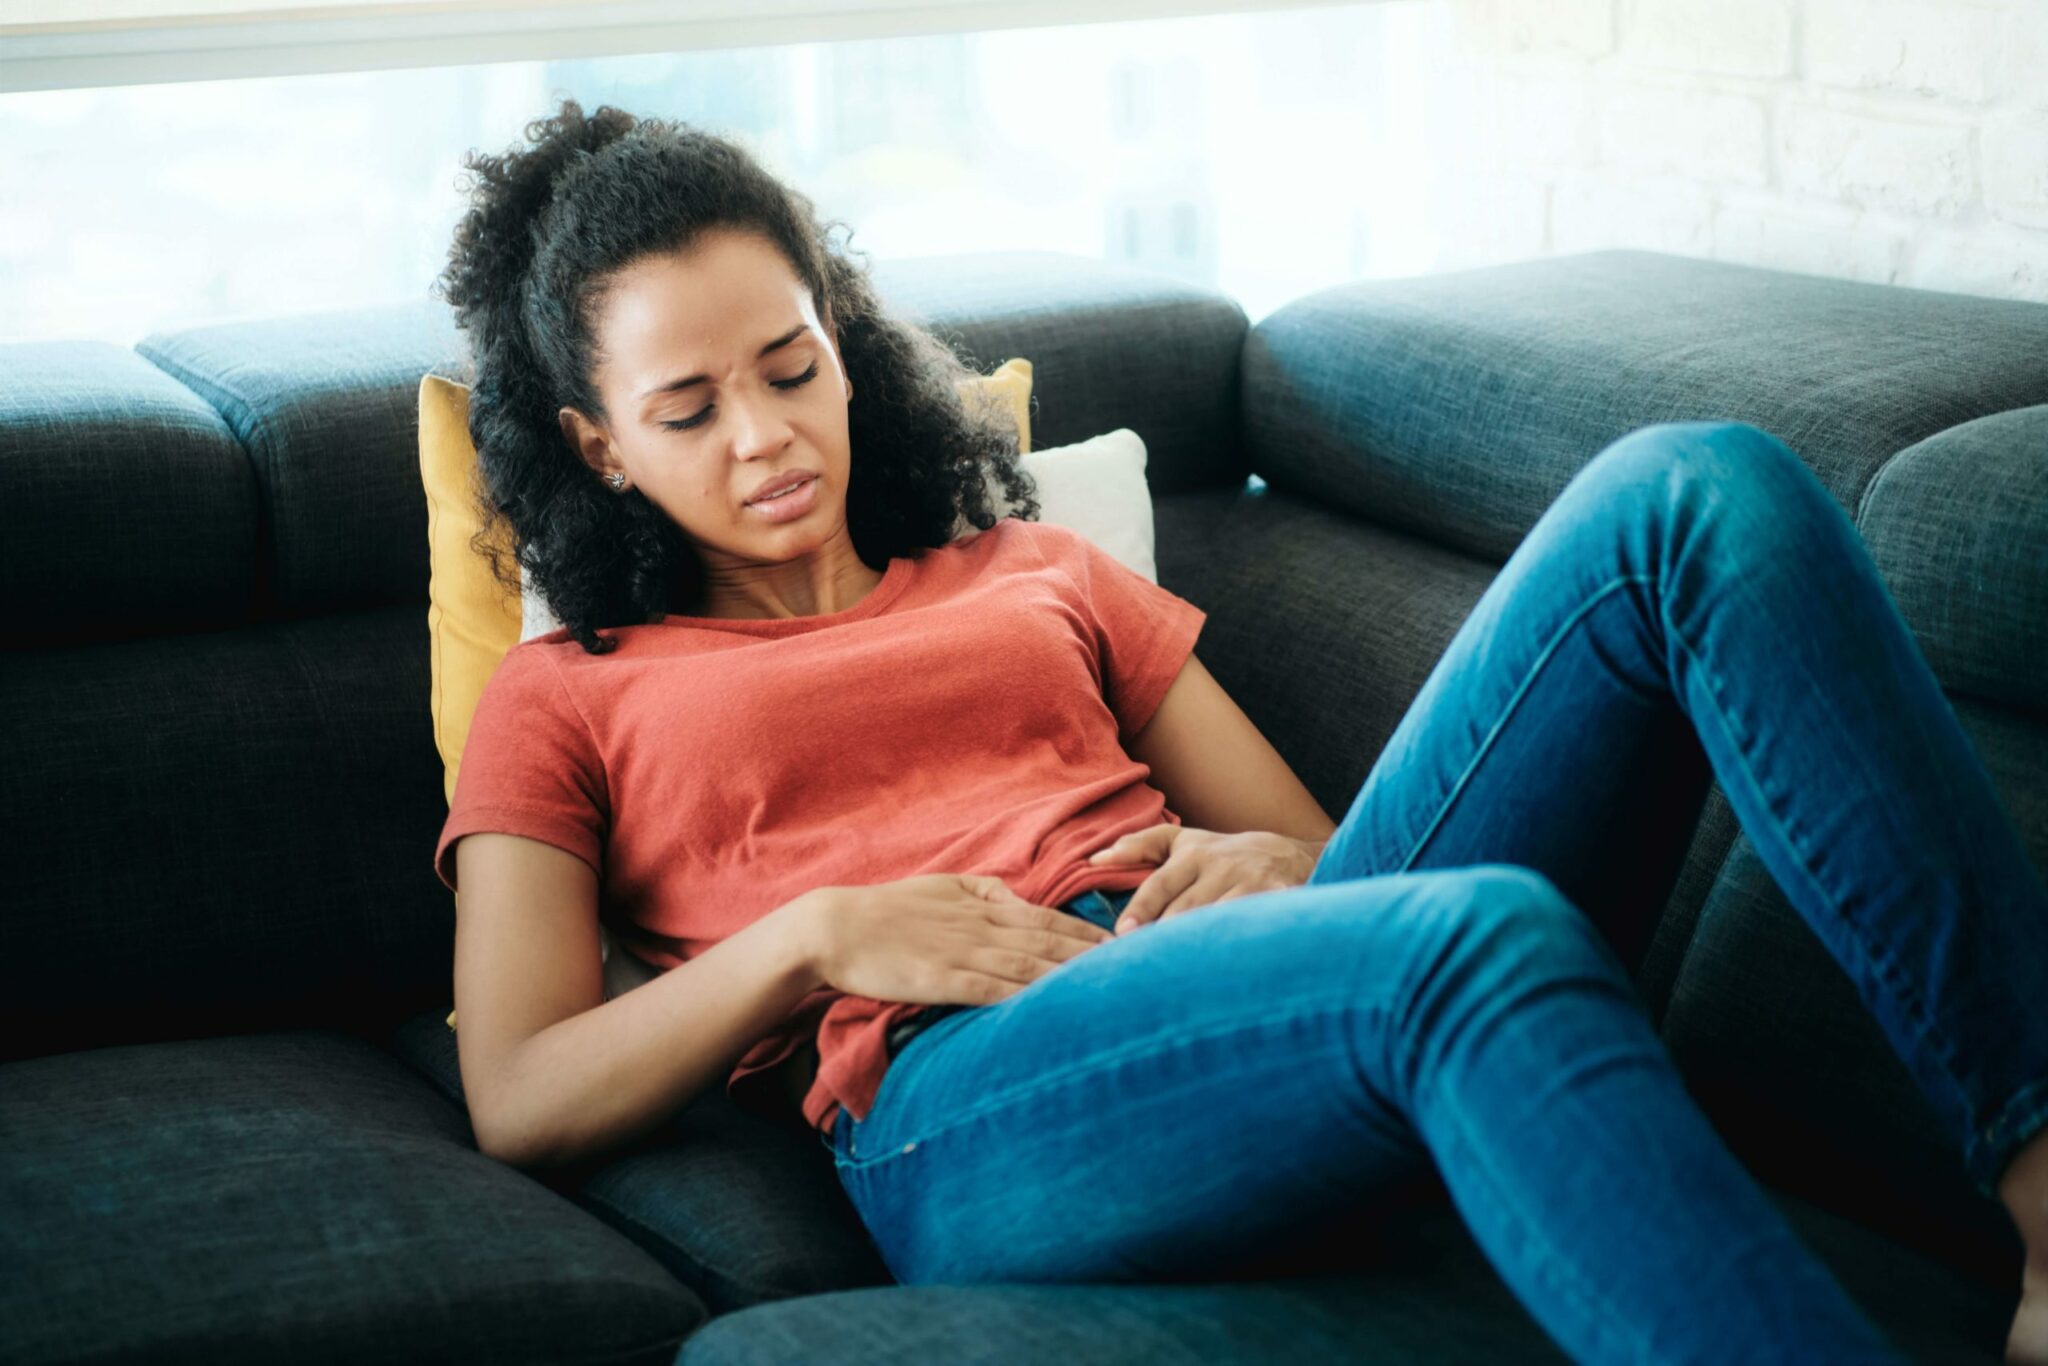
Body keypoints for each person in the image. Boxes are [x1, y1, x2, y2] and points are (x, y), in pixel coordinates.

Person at [431, 97, 2048, 1364]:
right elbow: (518, 1084)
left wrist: (1266, 863)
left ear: (843, 345)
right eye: (691, 409)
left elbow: (1333, 864)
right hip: (975, 1096)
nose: (769, 435)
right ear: (601, 446)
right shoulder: (568, 691)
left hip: (1252, 985)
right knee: (1470, 939)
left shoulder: (1034, 569)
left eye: (793, 367)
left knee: (1699, 488)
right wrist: (815, 937)